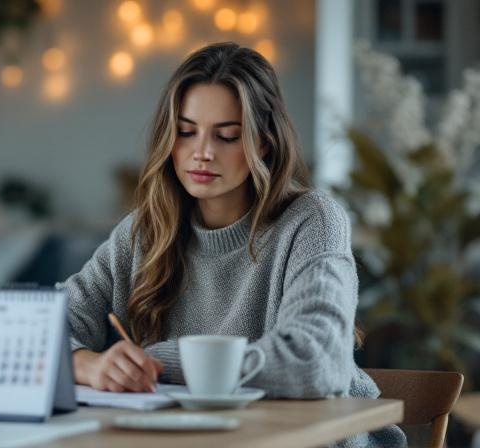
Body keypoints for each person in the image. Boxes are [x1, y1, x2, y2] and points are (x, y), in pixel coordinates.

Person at [64, 42, 405, 447]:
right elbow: (41, 331)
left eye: (226, 136)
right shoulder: (143, 232)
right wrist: (87, 365)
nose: (202, 153)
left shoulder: (312, 220)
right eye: (186, 132)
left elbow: (316, 363)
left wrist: (159, 362)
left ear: (263, 142)